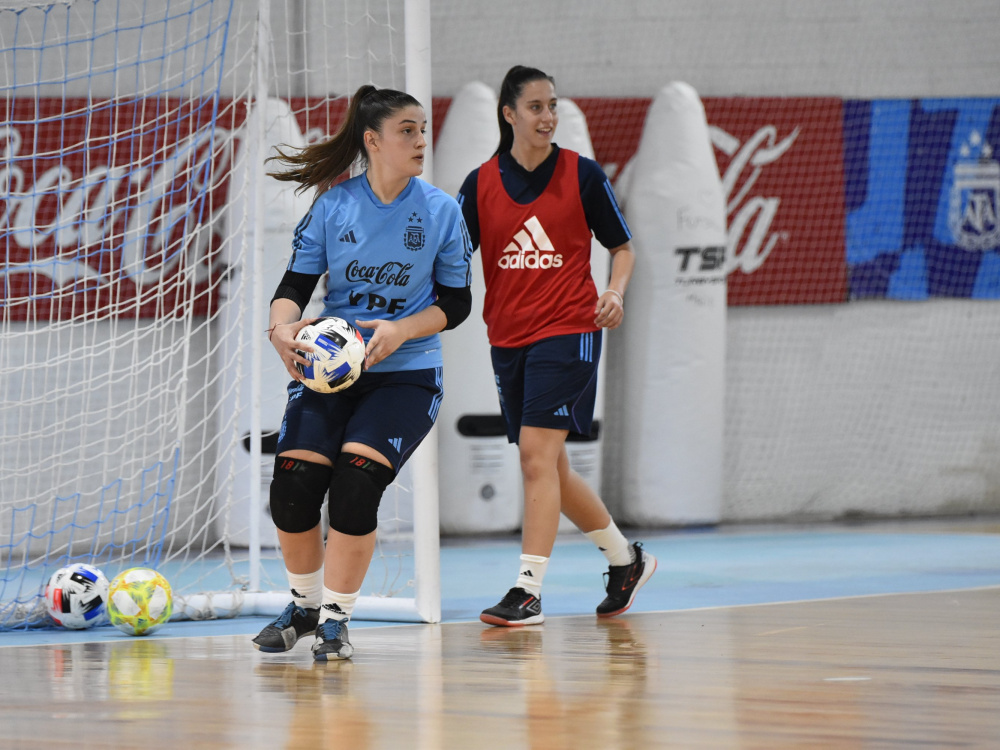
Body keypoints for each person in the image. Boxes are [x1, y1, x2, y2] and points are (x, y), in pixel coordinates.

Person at [252, 85, 473, 659]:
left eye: (423, 129)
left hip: (406, 373)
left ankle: (334, 621)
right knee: (293, 484)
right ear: (372, 140)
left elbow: (458, 302)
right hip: (333, 368)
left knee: (355, 485)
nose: (421, 140)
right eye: (407, 130)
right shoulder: (334, 206)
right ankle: (302, 606)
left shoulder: (442, 210)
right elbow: (293, 288)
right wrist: (281, 331)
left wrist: (401, 329)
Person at [457, 65, 655, 627]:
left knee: (534, 457)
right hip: (507, 336)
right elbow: (453, 258)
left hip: (569, 330)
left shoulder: (582, 174)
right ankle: (625, 559)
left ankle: (527, 591)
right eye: (537, 107)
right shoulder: (479, 184)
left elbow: (623, 248)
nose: (548, 117)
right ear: (509, 114)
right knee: (553, 470)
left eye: (553, 106)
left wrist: (614, 292)